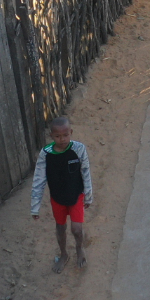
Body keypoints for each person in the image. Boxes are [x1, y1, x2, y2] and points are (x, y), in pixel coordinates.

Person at [30, 117, 93, 273]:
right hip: (57, 199)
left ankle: (79, 249)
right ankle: (64, 254)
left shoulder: (79, 149)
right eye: (57, 136)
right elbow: (38, 180)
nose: (62, 139)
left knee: (77, 229)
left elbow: (85, 172)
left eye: (65, 135)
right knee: (60, 227)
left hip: (76, 196)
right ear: (51, 135)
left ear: (70, 133)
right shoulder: (46, 154)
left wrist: (89, 195)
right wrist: (35, 206)